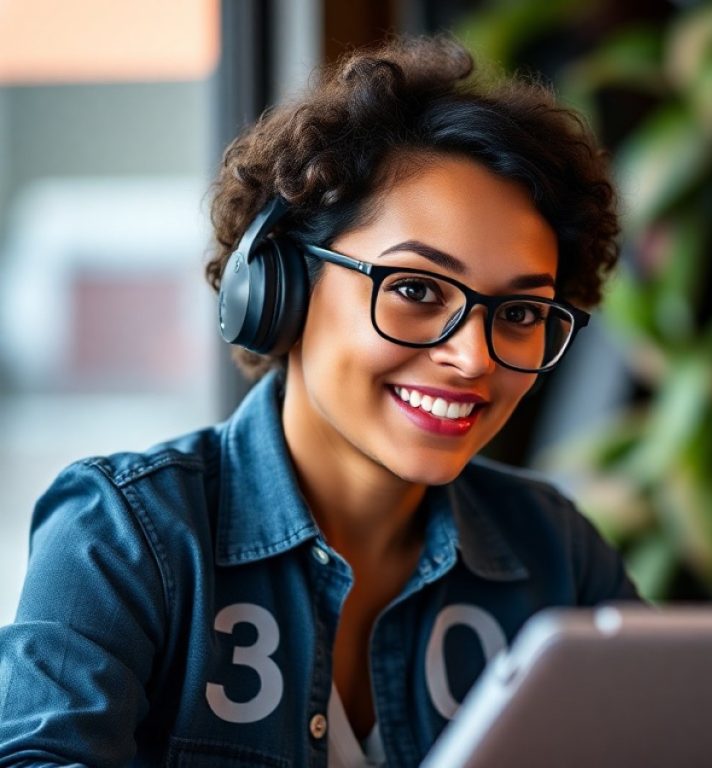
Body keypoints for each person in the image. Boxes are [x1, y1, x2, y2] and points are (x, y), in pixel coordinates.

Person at [0, 35, 639, 767]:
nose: (471, 357)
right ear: (281, 286)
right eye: (416, 291)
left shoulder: (553, 555)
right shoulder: (126, 536)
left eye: (521, 314)